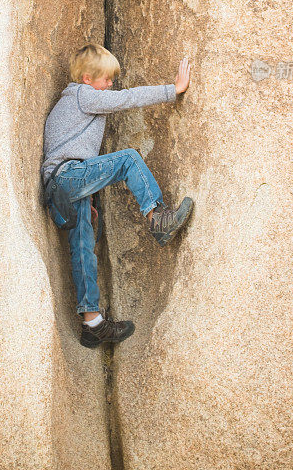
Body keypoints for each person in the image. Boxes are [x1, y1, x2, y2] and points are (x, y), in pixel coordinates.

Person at [41, 43, 193, 348]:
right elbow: (128, 98)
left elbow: (68, 152)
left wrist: (89, 197)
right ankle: (157, 217)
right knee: (128, 159)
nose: (110, 85)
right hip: (67, 177)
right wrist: (173, 89)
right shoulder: (83, 96)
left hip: (59, 189)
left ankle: (92, 324)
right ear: (86, 79)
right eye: (106, 80)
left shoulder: (74, 101)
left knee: (83, 249)